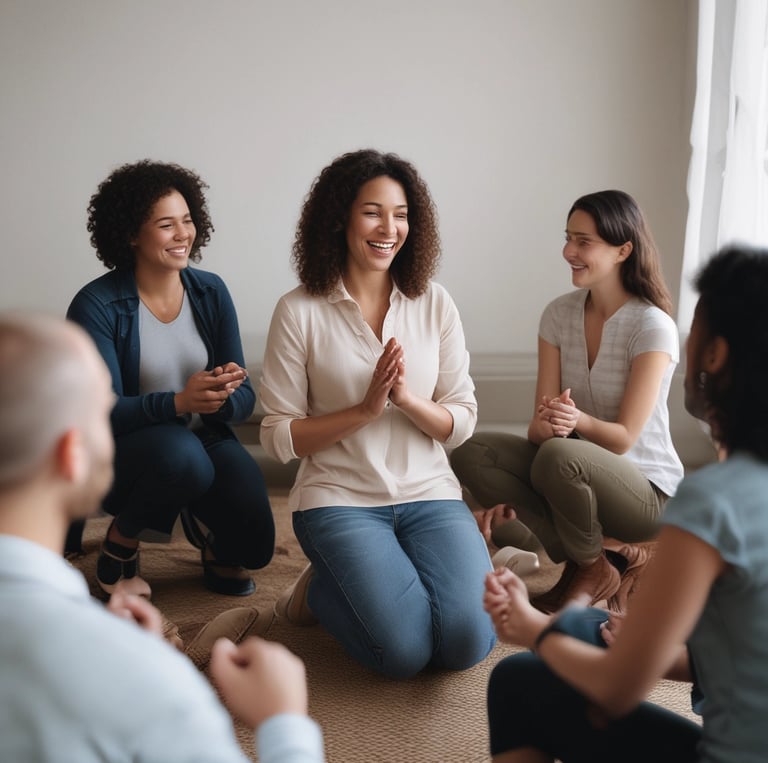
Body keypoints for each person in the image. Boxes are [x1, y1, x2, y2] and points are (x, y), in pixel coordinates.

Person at [482, 243, 768, 762]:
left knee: (519, 680)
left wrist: (528, 628)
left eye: (695, 325)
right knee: (579, 628)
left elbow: (618, 689)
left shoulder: (716, 501)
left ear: (715, 354)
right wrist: (644, 646)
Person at [0, 311, 324, 763]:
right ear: (71, 455)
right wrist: (284, 722)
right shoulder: (148, 686)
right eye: (99, 413)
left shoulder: (207, 294)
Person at [258, 148, 496, 679]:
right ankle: (320, 588)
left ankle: (375, 577)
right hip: (340, 499)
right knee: (402, 653)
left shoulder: (434, 302)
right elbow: (277, 436)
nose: (390, 227)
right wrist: (364, 410)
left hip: (430, 493)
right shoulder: (299, 310)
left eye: (402, 213)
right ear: (339, 218)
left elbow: (462, 419)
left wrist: (407, 401)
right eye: (372, 212)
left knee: (467, 642)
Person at [450, 190, 683, 613]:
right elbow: (539, 432)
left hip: (646, 491)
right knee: (474, 452)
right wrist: (548, 422)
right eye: (568, 238)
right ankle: (595, 561)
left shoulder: (653, 327)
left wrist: (575, 422)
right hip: (569, 472)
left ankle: (595, 563)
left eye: (583, 242)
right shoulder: (557, 315)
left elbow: (625, 438)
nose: (568, 251)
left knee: (560, 456)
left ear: (623, 250)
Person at [67, 160, 274, 597]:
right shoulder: (97, 305)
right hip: (130, 453)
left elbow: (245, 396)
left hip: (204, 441)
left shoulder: (211, 291)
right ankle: (123, 539)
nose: (184, 234)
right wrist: (179, 403)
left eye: (187, 220)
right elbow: (101, 413)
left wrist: (222, 396)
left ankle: (209, 536)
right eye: (167, 224)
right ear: (130, 234)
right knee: (183, 456)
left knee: (255, 547)